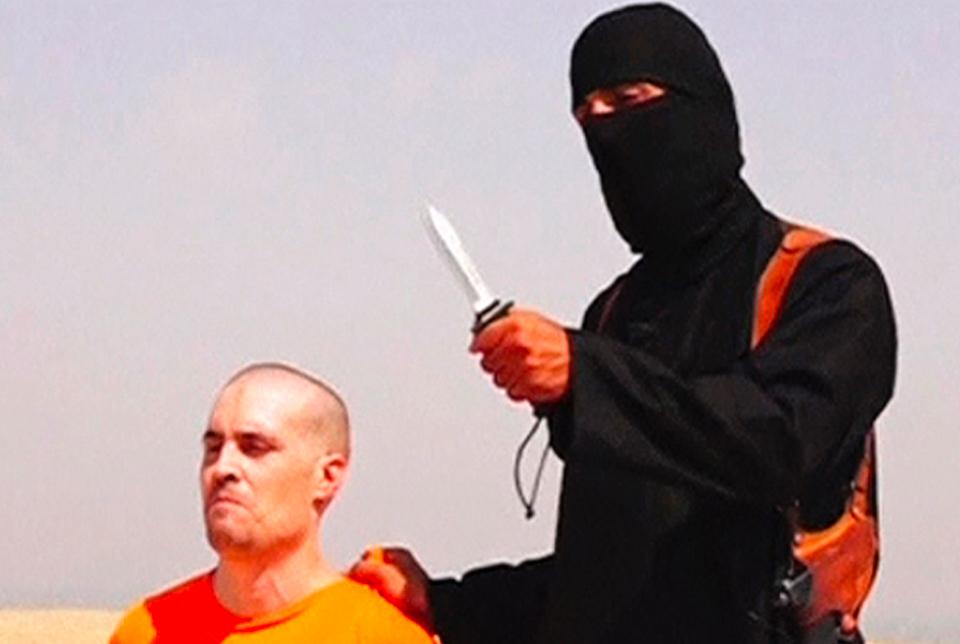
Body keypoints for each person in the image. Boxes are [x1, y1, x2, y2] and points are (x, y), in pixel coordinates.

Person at [351, 4, 896, 644]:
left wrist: (586, 376)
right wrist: (443, 602)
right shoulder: (616, 313)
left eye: (628, 100)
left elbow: (780, 444)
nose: (606, 130)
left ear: (702, 108)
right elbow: (611, 578)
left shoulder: (827, 283)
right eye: (587, 116)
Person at [110, 363, 434, 644]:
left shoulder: (381, 635)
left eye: (254, 448)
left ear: (327, 477)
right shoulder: (148, 629)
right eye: (214, 448)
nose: (223, 468)